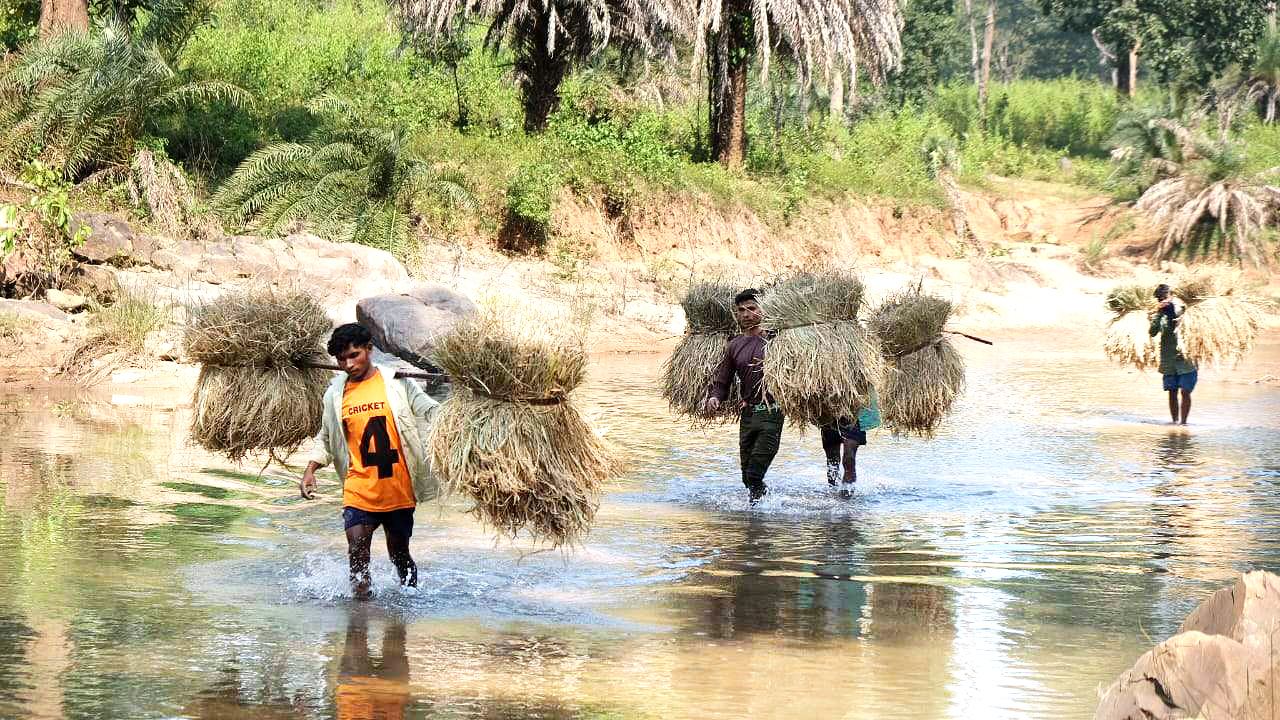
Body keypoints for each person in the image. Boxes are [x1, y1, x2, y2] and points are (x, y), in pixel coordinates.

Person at [300, 323, 439, 600]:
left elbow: (430, 410)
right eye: (342, 359)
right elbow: (326, 438)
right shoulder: (335, 395)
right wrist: (310, 470)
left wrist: (464, 409)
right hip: (359, 488)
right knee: (356, 553)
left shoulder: (397, 383)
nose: (348, 364)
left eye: (354, 355)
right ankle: (359, 619)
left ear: (369, 349)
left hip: (397, 488)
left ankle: (407, 606)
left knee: (399, 555)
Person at [703, 289, 780, 504]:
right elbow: (722, 381)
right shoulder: (734, 345)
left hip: (771, 413)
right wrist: (714, 398)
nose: (745, 314)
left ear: (763, 309)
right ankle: (762, 512)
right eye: (740, 311)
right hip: (747, 415)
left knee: (755, 473)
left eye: (751, 308)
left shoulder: (776, 339)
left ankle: (759, 517)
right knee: (746, 477)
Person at [1149, 283, 1197, 425]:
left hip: (1185, 357)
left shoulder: (1182, 308)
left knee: (1185, 391)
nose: (1163, 300)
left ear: (1171, 295)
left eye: (1165, 297)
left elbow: (1180, 315)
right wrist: (1159, 314)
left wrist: (1170, 308)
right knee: (1172, 391)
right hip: (1169, 359)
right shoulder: (1160, 313)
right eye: (1160, 298)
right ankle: (1174, 422)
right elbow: (1152, 332)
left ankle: (1183, 423)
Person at [820, 385, 879, 495]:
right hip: (829, 412)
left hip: (854, 415)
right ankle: (832, 492)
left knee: (849, 458)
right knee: (832, 460)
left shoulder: (862, 373)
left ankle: (847, 495)